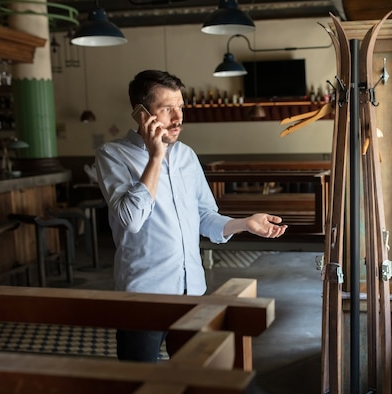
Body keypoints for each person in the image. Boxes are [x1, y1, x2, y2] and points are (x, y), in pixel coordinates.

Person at [95, 70, 287, 362]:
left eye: (180, 107)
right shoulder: (112, 155)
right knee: (138, 387)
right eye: (167, 108)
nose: (178, 117)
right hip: (144, 296)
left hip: (193, 291)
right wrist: (155, 156)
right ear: (141, 114)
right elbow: (130, 220)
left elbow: (204, 216)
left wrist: (244, 223)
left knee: (192, 380)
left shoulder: (187, 156)